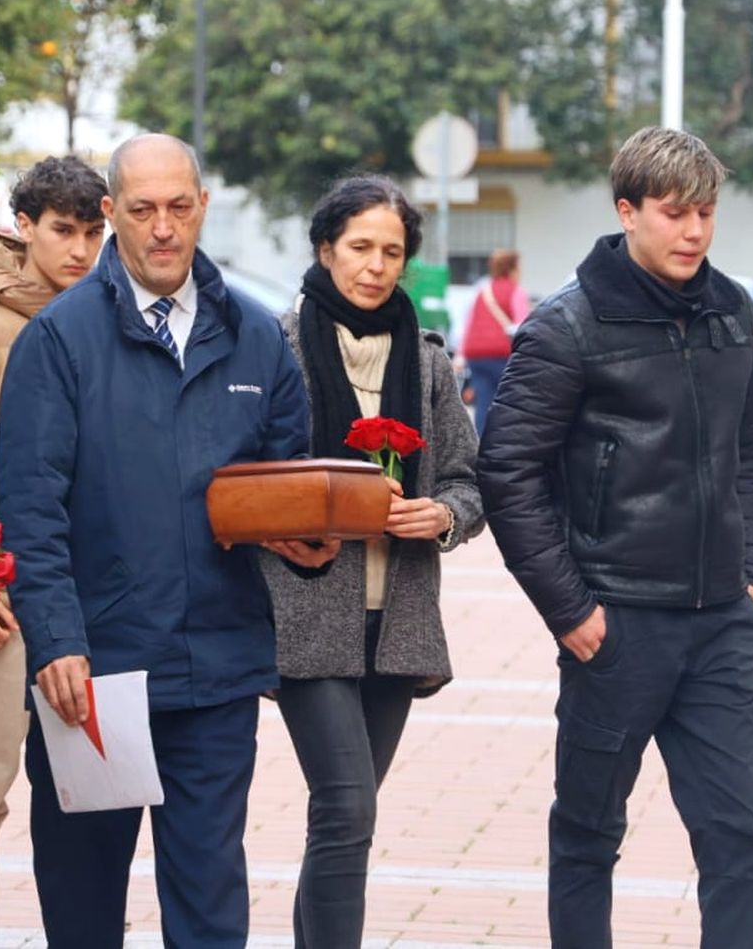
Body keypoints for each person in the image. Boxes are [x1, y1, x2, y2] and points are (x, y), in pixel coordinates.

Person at [0, 133, 322, 948]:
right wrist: (57, 642)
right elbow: (29, 508)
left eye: (179, 207)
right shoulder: (58, 341)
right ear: (112, 213)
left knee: (210, 909)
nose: (164, 228)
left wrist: (307, 543)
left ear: (204, 206)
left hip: (216, 674)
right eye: (143, 210)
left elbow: (283, 482)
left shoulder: (256, 337)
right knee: (84, 909)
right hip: (95, 678)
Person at [478, 126, 753, 949]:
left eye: (706, 213)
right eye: (675, 213)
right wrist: (570, 610)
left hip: (721, 621)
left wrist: (752, 575)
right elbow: (508, 472)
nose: (694, 231)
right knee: (587, 834)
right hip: (616, 624)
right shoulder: (567, 327)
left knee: (739, 838)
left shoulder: (733, 312)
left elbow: (749, 453)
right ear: (627, 210)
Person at [262, 176, 483, 949]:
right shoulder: (279, 347)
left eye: (391, 251)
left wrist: (443, 516)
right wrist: (312, 508)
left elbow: (467, 478)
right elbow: (245, 473)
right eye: (360, 247)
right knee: (347, 807)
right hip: (307, 612)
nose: (375, 265)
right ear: (326, 249)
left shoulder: (426, 362)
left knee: (344, 817)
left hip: (398, 620)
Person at [0, 155, 108, 949]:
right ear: (25, 226)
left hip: (77, 592)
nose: (79, 249)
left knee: (91, 786)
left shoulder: (97, 318)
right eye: (62, 230)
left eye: (92, 233)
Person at [458, 249, 529, 434]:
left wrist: (461, 355)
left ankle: (481, 443)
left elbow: (469, 323)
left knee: (483, 403)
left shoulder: (482, 292)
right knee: (509, 402)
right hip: (501, 355)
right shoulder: (516, 291)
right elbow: (523, 326)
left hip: (476, 355)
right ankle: (503, 441)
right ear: (512, 269)